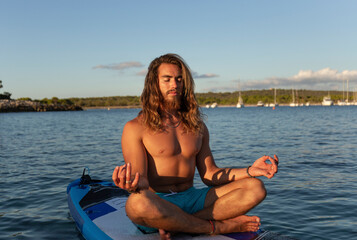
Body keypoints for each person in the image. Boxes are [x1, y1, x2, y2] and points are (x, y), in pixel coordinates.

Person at [112, 53, 278, 239]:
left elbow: (209, 175)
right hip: (159, 203)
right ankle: (219, 227)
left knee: (256, 187)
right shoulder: (135, 128)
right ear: (154, 84)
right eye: (167, 80)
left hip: (192, 199)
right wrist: (134, 184)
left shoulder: (197, 126)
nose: (174, 85)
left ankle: (176, 226)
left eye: (179, 79)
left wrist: (250, 170)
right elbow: (139, 181)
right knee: (136, 204)